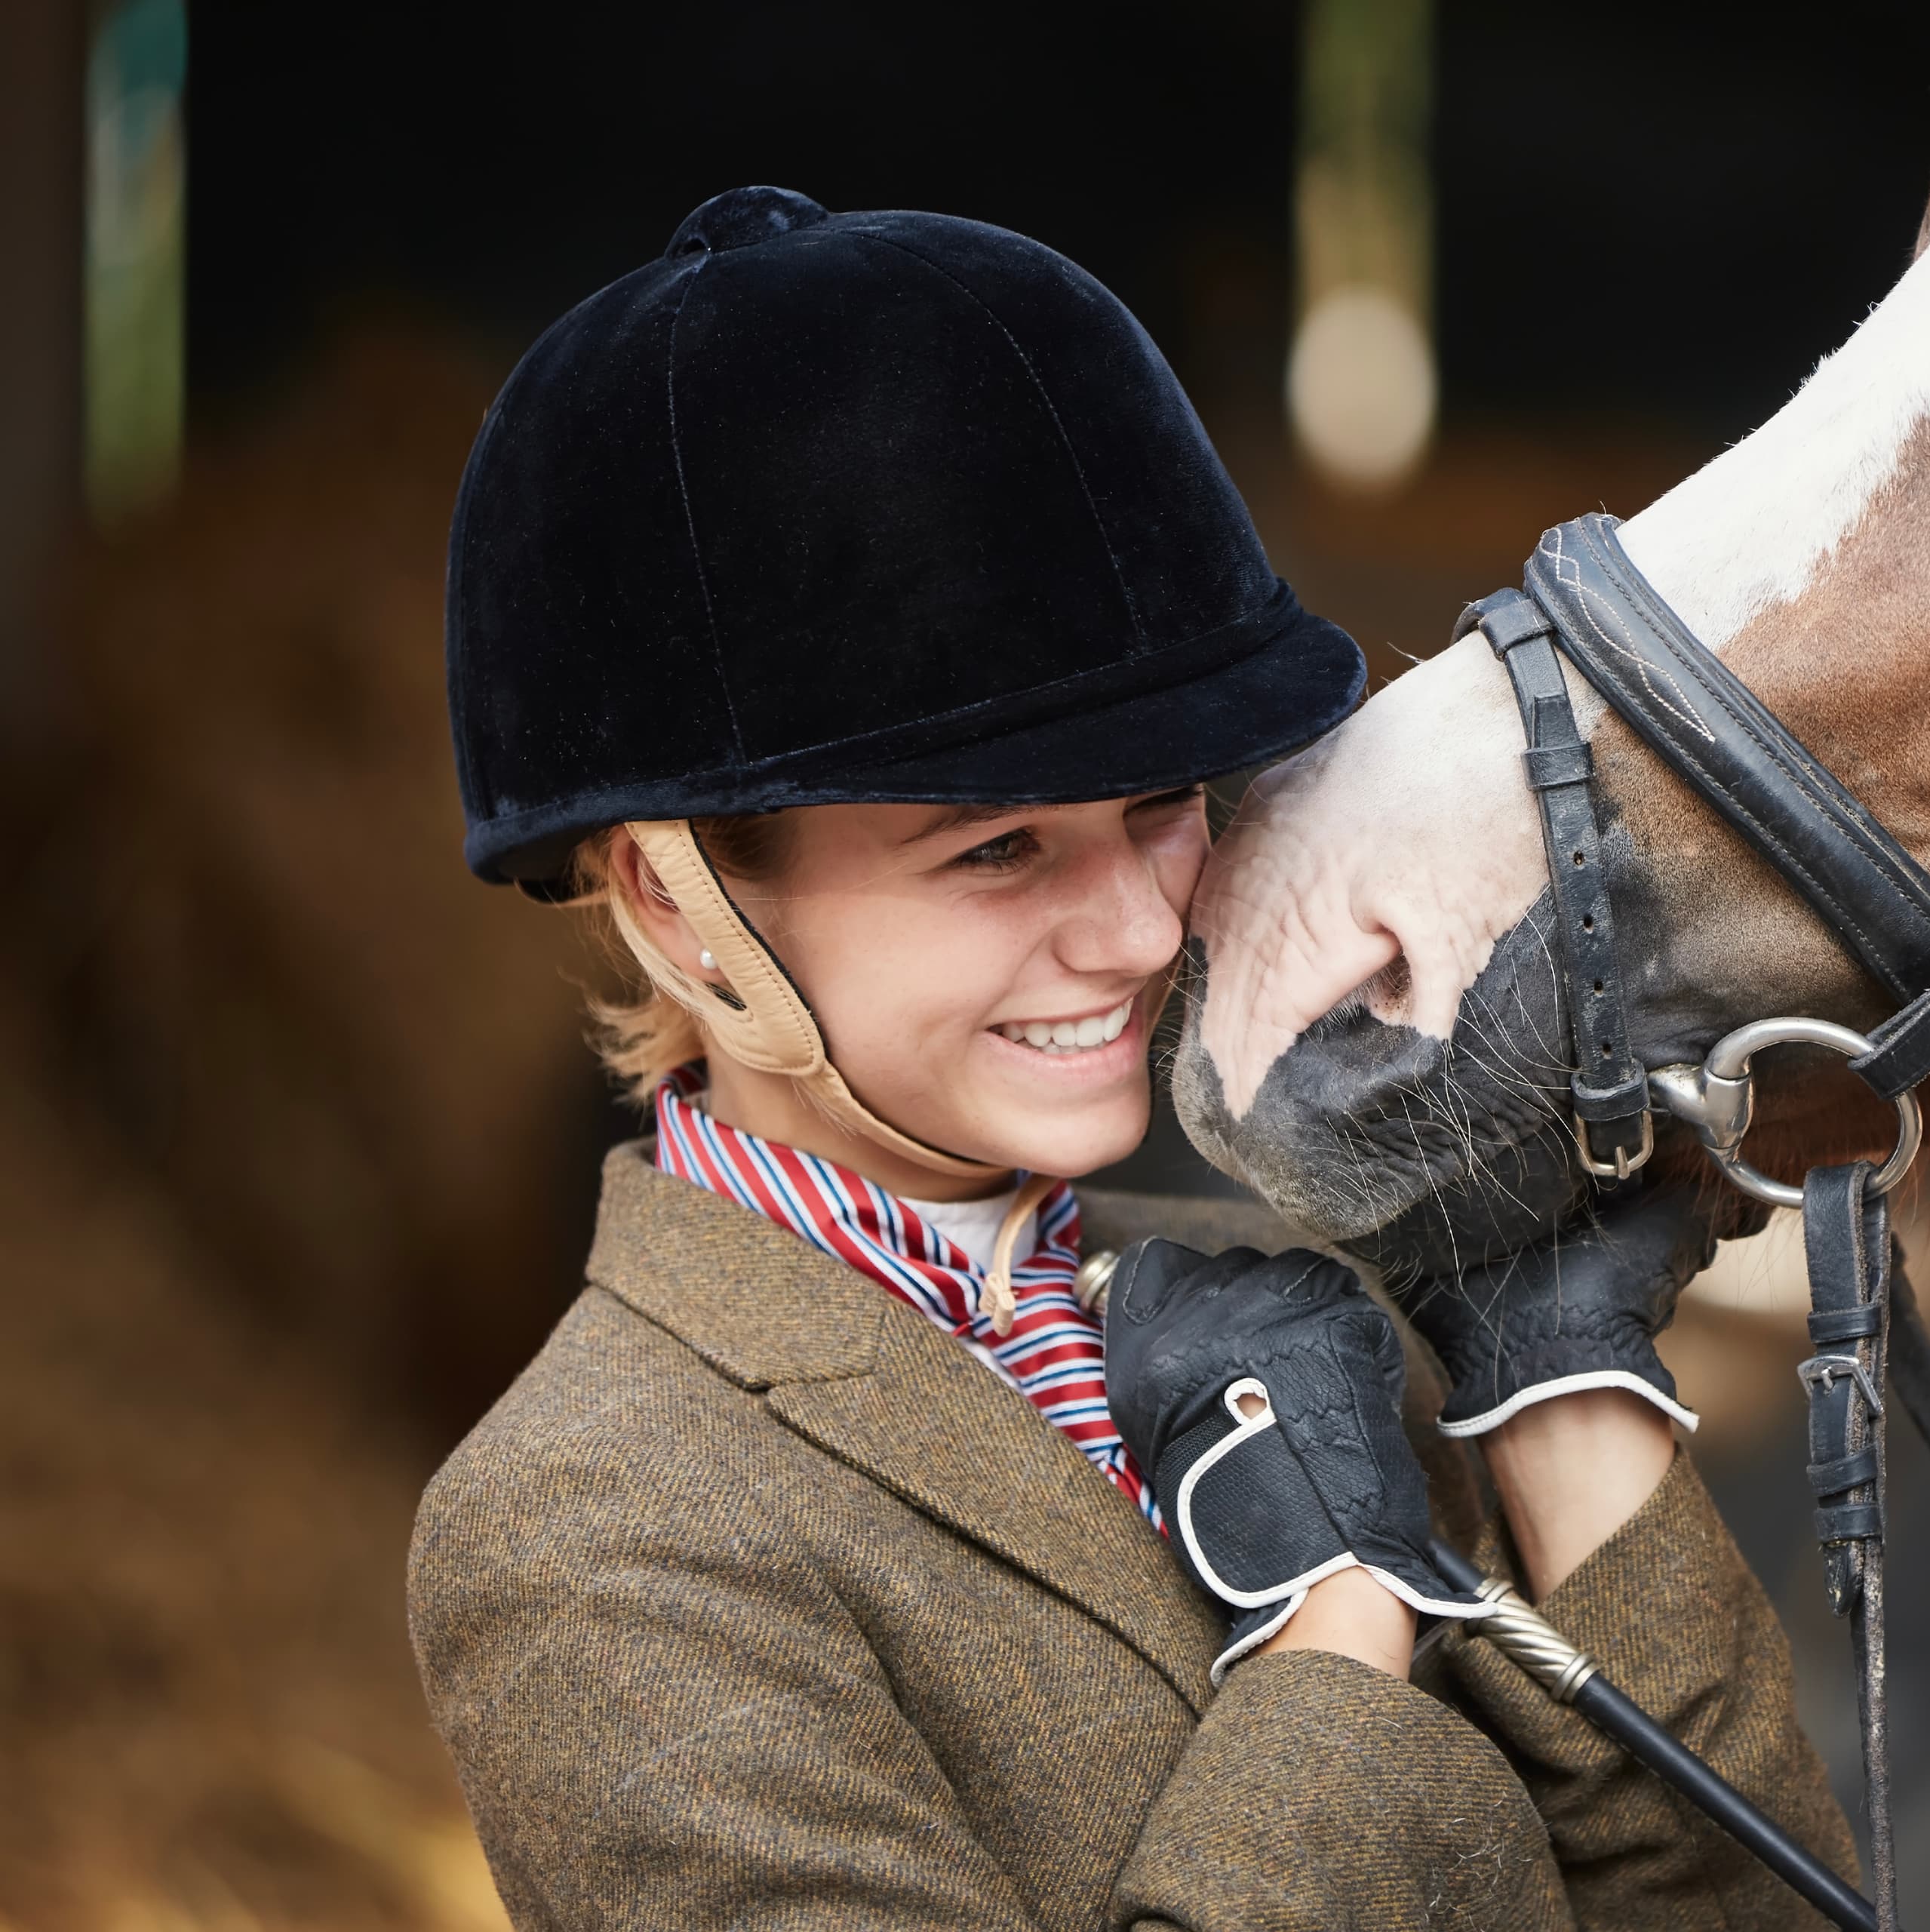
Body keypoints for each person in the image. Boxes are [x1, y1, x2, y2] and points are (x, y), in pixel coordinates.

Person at [410, 184, 1852, 1930]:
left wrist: (1554, 1389)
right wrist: (1337, 1625)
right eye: (997, 851)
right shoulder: (594, 1526)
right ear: (680, 901)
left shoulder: (1274, 1318)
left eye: (1163, 806)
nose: (1145, 932)